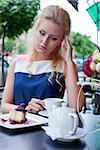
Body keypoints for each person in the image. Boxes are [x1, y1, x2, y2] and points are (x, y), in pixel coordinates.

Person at [1, 5, 85, 114]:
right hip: (16, 127)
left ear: (62, 41)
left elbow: (77, 107)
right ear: (36, 29)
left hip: (49, 129)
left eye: (53, 38)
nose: (44, 42)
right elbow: (4, 106)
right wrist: (26, 109)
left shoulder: (65, 66)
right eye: (42, 33)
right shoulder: (17, 64)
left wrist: (69, 61)